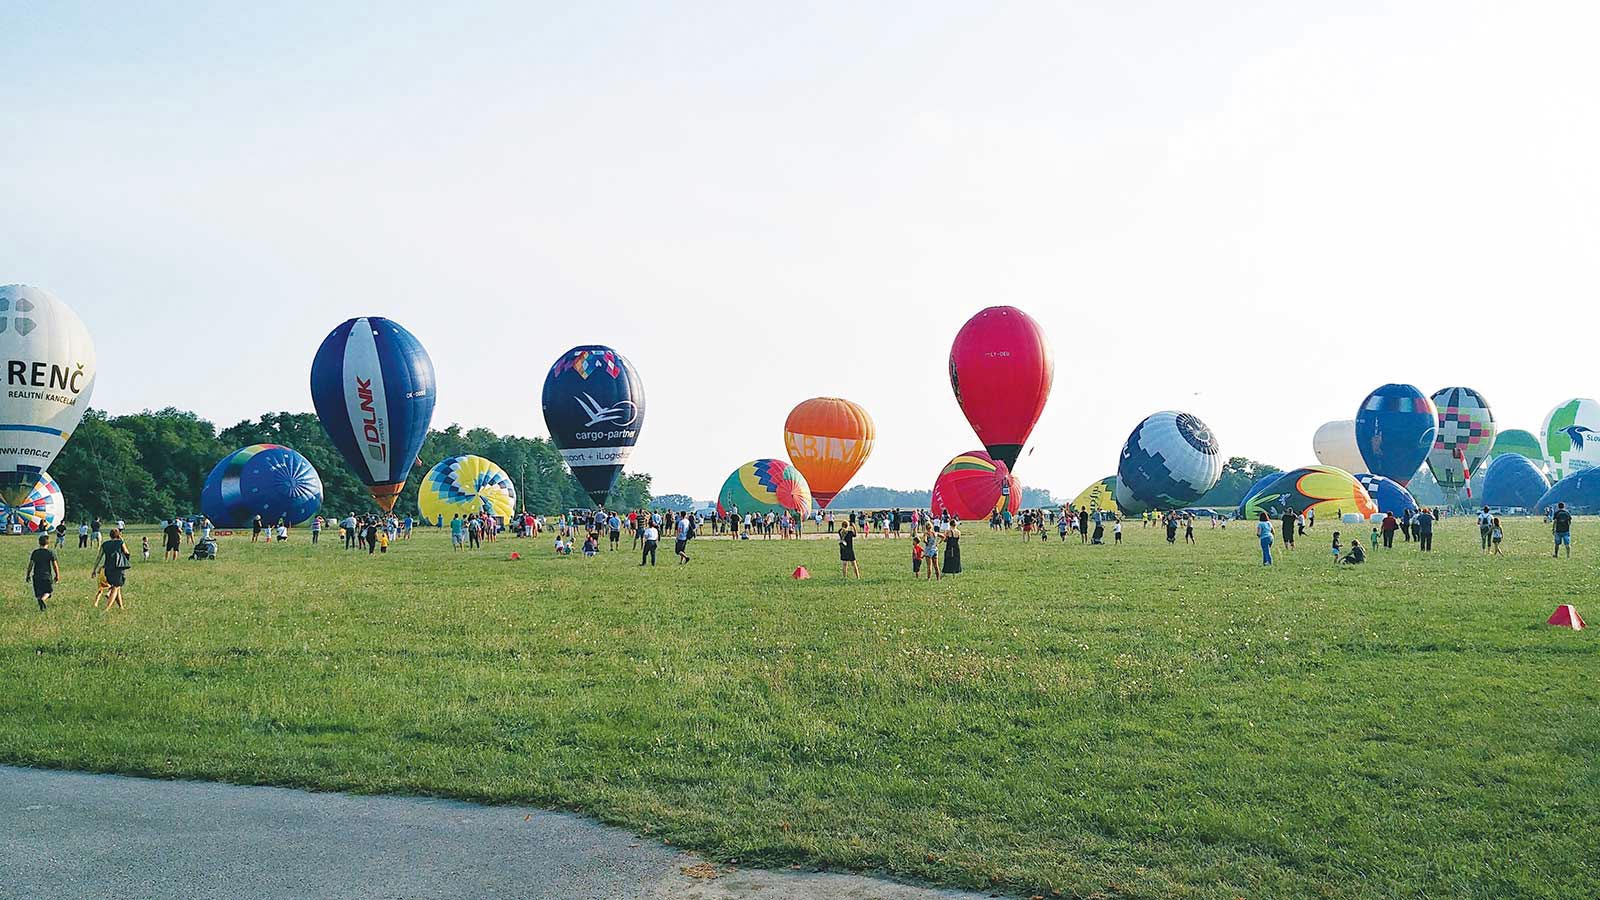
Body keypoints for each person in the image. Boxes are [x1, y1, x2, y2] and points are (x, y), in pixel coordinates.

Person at [93, 527, 131, 610]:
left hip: (107, 569)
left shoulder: (105, 544)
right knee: (115, 587)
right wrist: (121, 539)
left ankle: (121, 607)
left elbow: (99, 557)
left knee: (117, 588)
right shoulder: (120, 542)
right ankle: (107, 608)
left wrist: (94, 570)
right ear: (118, 535)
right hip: (118, 568)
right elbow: (127, 552)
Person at [26, 534, 59, 611]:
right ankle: (43, 600)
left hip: (36, 576)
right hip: (46, 576)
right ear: (48, 543)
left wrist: (28, 575)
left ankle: (42, 607)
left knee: (38, 593)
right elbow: (55, 565)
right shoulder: (50, 552)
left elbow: (30, 565)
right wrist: (57, 575)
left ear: (39, 543)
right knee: (48, 592)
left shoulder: (35, 552)